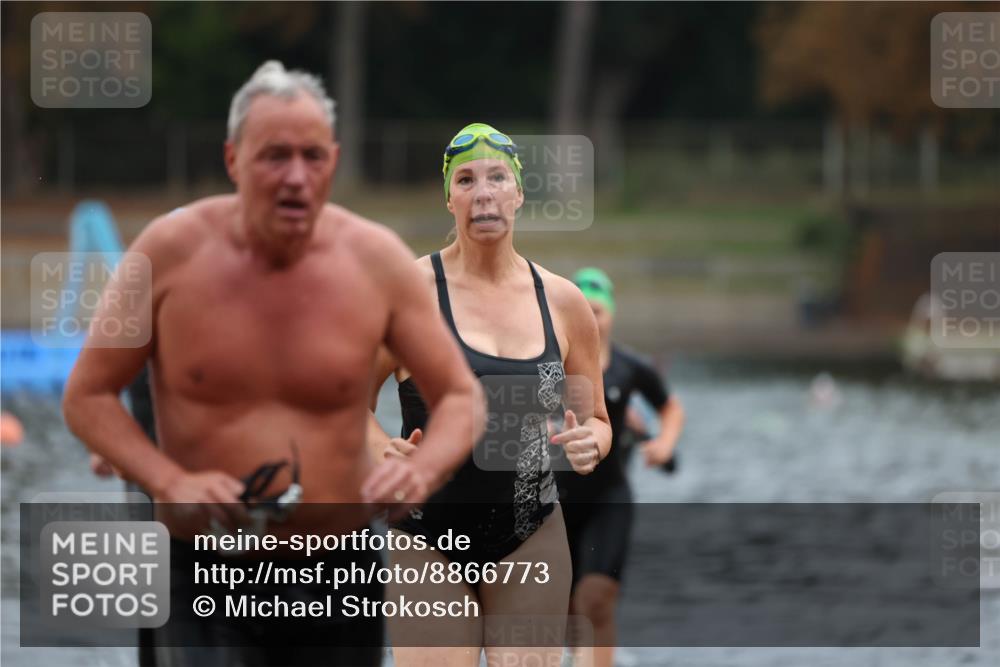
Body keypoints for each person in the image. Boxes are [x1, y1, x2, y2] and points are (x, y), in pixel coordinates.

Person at [63, 61, 483, 667]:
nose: (295, 177)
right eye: (274, 156)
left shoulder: (377, 262)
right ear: (233, 160)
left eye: (312, 157)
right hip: (208, 570)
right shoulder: (168, 253)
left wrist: (424, 472)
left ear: (333, 162)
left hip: (339, 572)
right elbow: (88, 396)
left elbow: (462, 399)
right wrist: (167, 478)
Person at [367, 123, 612, 666]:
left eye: (498, 177)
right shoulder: (406, 293)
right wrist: (377, 450)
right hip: (429, 539)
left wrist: (591, 442)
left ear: (519, 193)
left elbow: (597, 417)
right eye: (467, 179)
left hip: (531, 534)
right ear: (448, 196)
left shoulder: (565, 302)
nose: (484, 192)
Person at [557, 267, 685, 667]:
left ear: (611, 315)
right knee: (567, 608)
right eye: (584, 311)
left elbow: (671, 407)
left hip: (608, 498)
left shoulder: (630, 367)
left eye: (598, 311)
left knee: (595, 598)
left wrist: (663, 443)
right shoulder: (548, 365)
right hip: (555, 503)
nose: (592, 320)